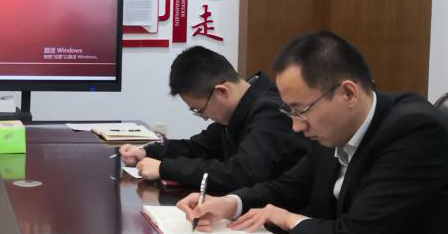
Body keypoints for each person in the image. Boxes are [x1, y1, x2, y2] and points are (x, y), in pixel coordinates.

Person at [180, 30, 448, 234]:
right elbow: (288, 186)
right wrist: (231, 203)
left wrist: (285, 218)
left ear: (348, 93)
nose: (296, 126)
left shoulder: (413, 132)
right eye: (289, 111)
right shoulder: (334, 129)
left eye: (301, 110)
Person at [119, 46, 308, 192]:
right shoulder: (238, 110)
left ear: (222, 92)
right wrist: (148, 152)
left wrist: (165, 168)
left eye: (200, 110)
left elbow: (242, 173)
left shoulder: (271, 112)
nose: (204, 118)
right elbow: (198, 148)